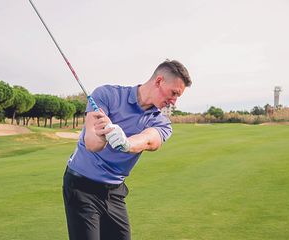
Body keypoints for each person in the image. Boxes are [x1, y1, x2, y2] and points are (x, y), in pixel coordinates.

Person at [62, 59, 192, 240]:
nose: (174, 102)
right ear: (159, 81)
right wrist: (105, 133)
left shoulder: (161, 121)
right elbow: (92, 143)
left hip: (114, 192)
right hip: (82, 187)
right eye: (174, 93)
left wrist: (126, 143)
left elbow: (149, 140)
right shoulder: (107, 95)